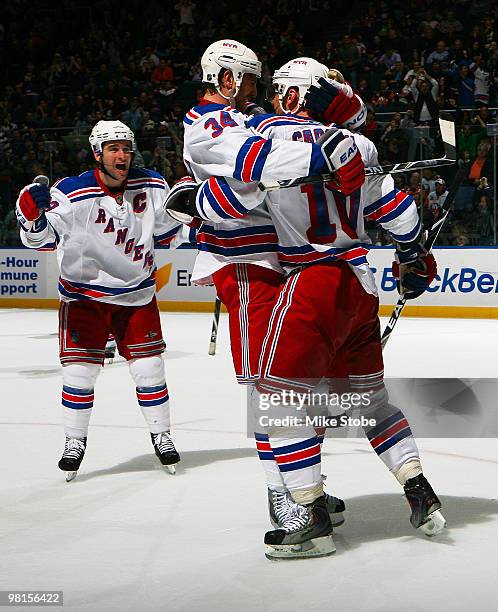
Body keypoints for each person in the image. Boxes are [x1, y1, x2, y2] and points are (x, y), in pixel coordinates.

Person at [169, 58, 445, 558]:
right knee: (370, 401)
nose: (269, 96)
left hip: (310, 280)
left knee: (276, 400)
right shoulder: (360, 145)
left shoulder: (267, 132)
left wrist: (193, 206)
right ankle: (421, 492)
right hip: (361, 284)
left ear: (293, 96)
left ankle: (307, 517)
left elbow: (235, 195)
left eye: (278, 90)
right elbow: (397, 210)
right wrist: (412, 256)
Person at [168, 40, 365, 538]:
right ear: (228, 77)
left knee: (300, 379)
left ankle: (307, 487)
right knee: (269, 385)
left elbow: (320, 134)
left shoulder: (248, 114)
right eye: (252, 78)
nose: (259, 90)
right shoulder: (207, 124)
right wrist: (328, 151)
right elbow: (264, 162)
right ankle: (281, 493)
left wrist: (343, 110)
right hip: (244, 264)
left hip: (279, 262)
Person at [16, 120, 183, 481]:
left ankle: (162, 434)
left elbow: (169, 235)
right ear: (97, 153)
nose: (121, 154)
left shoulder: (152, 183)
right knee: (79, 374)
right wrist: (29, 217)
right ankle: (74, 441)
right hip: (83, 298)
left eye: (126, 147)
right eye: (113, 148)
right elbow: (40, 240)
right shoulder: (72, 193)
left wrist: (190, 209)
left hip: (137, 294)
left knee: (150, 369)